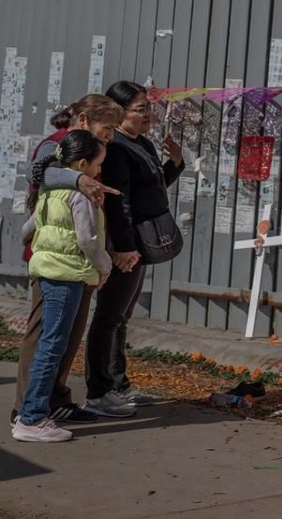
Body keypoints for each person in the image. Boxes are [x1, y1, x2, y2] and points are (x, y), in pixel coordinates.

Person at [11, 95, 125, 425]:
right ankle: (27, 408)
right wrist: (78, 179)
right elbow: (41, 174)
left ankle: (53, 398)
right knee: (44, 335)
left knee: (67, 336)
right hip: (54, 257)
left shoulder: (91, 151)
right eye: (107, 128)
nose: (111, 136)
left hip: (78, 259)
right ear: (84, 119)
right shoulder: (57, 146)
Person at [84, 81, 183, 416]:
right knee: (109, 316)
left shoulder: (141, 145)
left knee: (121, 317)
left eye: (147, 109)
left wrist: (176, 163)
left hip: (139, 241)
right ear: (118, 112)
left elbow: (152, 189)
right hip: (125, 243)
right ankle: (99, 391)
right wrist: (124, 248)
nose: (148, 116)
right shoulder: (117, 151)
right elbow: (120, 204)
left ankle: (118, 382)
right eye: (141, 109)